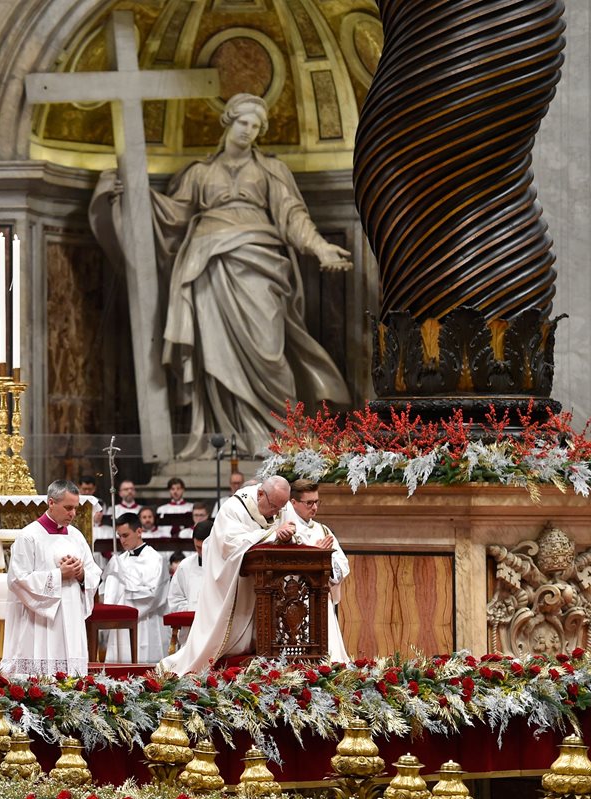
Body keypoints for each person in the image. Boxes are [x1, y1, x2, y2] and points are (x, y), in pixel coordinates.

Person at [91, 93, 352, 458]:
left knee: (268, 352)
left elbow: (293, 216)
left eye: (257, 126)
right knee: (212, 356)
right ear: (228, 121)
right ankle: (223, 438)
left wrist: (321, 247)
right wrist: (131, 195)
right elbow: (173, 216)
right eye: (244, 122)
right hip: (206, 266)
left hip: (258, 263)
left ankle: (280, 436)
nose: (249, 131)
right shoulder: (199, 172)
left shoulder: (270, 170)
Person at [160, 476, 294, 674]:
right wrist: (273, 535)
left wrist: (290, 532)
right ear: (260, 494)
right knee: (219, 641)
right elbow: (230, 544)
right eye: (274, 506)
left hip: (268, 584)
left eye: (280, 508)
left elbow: (292, 527)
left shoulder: (281, 504)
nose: (276, 513)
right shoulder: (233, 508)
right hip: (234, 582)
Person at [1, 480, 102, 676]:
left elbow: (93, 572)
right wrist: (59, 576)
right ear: (51, 503)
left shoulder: (76, 535)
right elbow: (17, 579)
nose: (73, 514)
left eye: (75, 508)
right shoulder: (29, 536)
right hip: (38, 619)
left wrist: (81, 574)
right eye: (68, 508)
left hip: (71, 613)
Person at [282, 479, 350, 662]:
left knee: (330, 656)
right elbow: (285, 562)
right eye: (309, 503)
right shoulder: (285, 529)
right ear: (293, 502)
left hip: (320, 599)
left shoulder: (323, 530)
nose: (314, 507)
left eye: (316, 502)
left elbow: (342, 564)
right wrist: (314, 556)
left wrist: (325, 562)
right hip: (293, 601)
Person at [100, 513, 166, 663]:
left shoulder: (155, 559)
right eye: (119, 536)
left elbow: (153, 595)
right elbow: (106, 592)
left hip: (145, 621)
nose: (122, 540)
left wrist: (124, 586)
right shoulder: (118, 560)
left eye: (125, 535)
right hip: (120, 624)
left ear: (139, 531)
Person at [166, 520, 212, 648]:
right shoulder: (185, 566)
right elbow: (175, 598)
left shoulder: (226, 564)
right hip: (191, 629)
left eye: (205, 548)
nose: (202, 552)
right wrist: (192, 609)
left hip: (215, 627)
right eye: (198, 547)